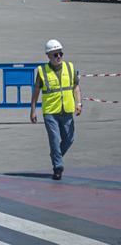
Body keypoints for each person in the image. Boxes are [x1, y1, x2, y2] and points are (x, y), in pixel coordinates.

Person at [30, 39, 82, 180]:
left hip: (67, 110)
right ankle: (58, 167)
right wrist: (33, 109)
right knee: (54, 139)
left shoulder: (70, 67)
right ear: (48, 56)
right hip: (50, 112)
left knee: (69, 139)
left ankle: (55, 154)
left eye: (60, 54)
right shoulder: (42, 71)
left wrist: (79, 103)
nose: (59, 57)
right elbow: (36, 91)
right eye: (55, 55)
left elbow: (75, 87)